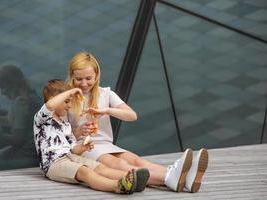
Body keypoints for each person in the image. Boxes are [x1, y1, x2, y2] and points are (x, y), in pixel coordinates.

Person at [66, 51, 209, 193]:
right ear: (72, 76)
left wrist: (107, 111)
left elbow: (131, 115)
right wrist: (79, 131)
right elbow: (59, 134)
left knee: (139, 162)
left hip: (105, 144)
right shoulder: (67, 98)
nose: (84, 83)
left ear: (96, 75)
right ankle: (170, 178)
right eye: (79, 79)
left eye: (88, 78)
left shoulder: (106, 93)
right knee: (119, 164)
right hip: (82, 147)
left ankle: (184, 178)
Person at [33, 79, 150, 194]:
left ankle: (133, 179)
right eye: (67, 101)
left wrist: (83, 147)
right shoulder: (42, 118)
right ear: (53, 99)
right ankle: (117, 186)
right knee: (85, 172)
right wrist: (70, 92)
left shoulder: (65, 124)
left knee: (100, 168)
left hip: (70, 157)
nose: (69, 106)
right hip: (54, 164)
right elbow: (49, 105)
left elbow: (73, 148)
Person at [0, 65, 40, 164]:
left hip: (28, 155)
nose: (2, 92)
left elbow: (18, 140)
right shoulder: (32, 97)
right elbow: (12, 120)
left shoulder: (20, 102)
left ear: (13, 84)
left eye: (3, 87)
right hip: (37, 153)